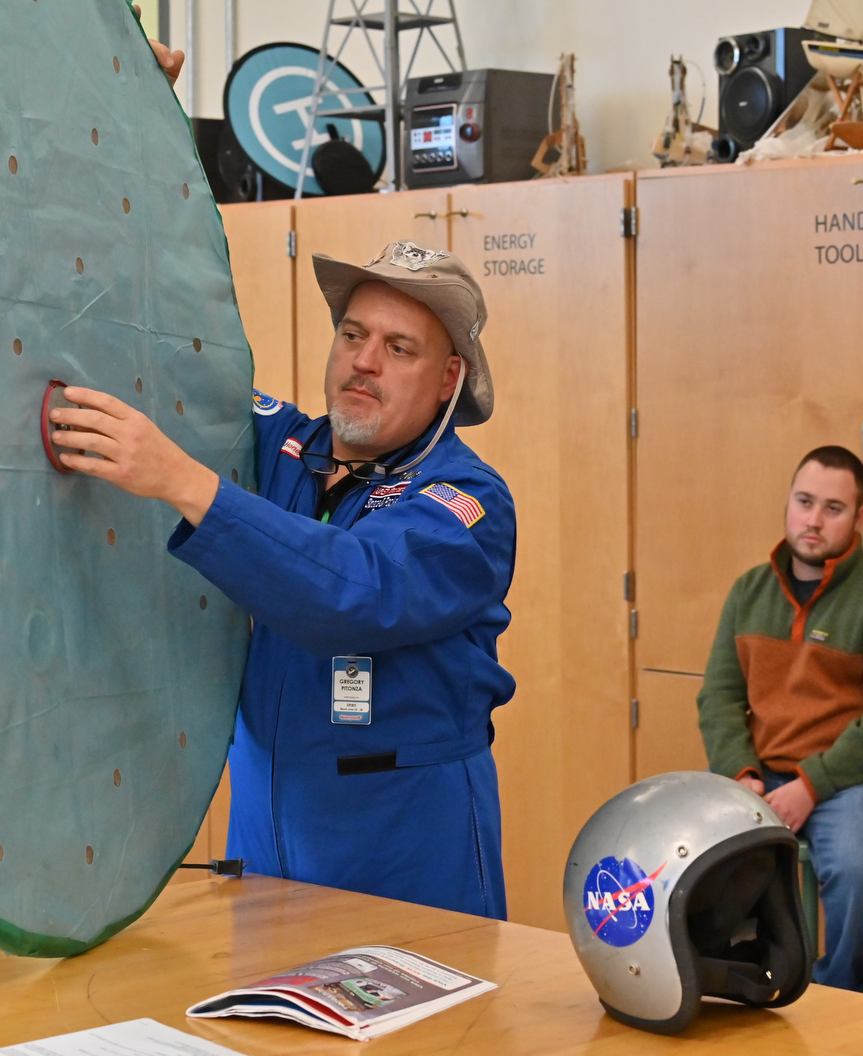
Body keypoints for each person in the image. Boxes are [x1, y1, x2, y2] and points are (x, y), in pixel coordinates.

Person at [47, 241, 516, 918]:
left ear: (449, 379)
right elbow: (166, 372)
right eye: (353, 334)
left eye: (399, 348)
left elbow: (358, 593)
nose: (365, 360)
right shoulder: (278, 443)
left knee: (423, 1021)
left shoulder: (468, 500)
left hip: (404, 847)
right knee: (260, 1019)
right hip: (264, 839)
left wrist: (184, 482)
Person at [696, 445, 863, 995]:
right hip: (763, 774)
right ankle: (737, 984)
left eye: (833, 508)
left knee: (856, 871)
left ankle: (842, 997)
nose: (814, 520)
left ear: (859, 518)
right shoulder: (749, 591)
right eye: (804, 502)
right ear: (788, 504)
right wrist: (741, 773)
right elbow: (720, 696)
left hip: (858, 781)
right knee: (697, 854)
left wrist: (811, 785)